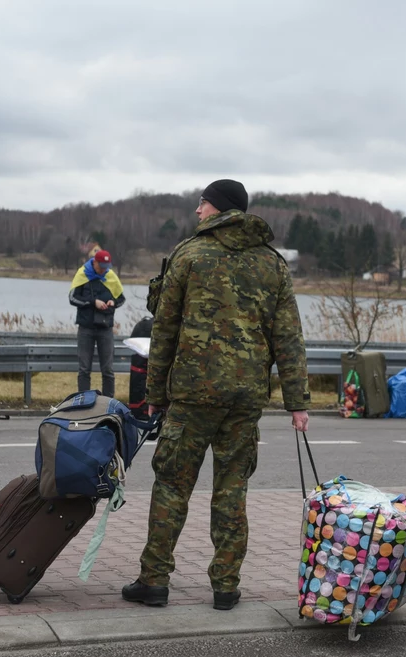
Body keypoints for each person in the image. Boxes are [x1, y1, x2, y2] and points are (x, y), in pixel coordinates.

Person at [123, 179, 310, 611]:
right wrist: (297, 403)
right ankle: (225, 586)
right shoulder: (273, 264)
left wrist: (154, 393)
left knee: (171, 484)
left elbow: (163, 329)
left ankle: (154, 580)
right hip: (245, 398)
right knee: (232, 489)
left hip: (191, 394)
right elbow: (289, 340)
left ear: (219, 208)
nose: (197, 211)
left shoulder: (190, 255)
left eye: (202, 204)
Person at [69, 249, 126, 397]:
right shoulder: (82, 275)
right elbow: (72, 298)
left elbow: (122, 299)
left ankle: (108, 402)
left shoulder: (110, 276)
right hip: (86, 328)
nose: (103, 270)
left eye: (106, 267)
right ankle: (83, 401)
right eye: (101, 266)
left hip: (105, 328)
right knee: (84, 369)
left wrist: (113, 302)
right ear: (94, 262)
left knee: (108, 370)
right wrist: (93, 302)